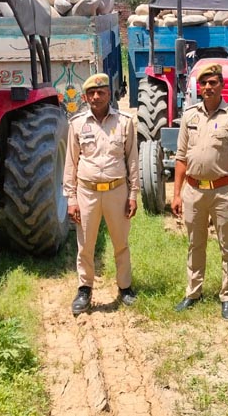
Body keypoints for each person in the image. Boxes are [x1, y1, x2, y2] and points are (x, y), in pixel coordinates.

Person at [171, 63, 228, 320]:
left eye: (213, 82)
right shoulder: (189, 116)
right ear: (198, 87)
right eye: (204, 83)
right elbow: (181, 158)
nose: (208, 87)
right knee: (196, 244)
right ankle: (193, 293)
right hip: (194, 192)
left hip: (223, 191)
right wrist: (177, 193)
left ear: (221, 85)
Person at [63, 73, 139, 316]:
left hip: (117, 190)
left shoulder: (124, 122)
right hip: (87, 193)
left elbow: (133, 161)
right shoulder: (76, 124)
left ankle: (125, 287)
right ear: (85, 97)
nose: (96, 97)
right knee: (85, 244)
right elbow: (70, 164)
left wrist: (133, 195)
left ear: (109, 94)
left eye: (102, 92)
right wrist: (71, 199)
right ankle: (84, 289)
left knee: (121, 243)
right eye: (92, 93)